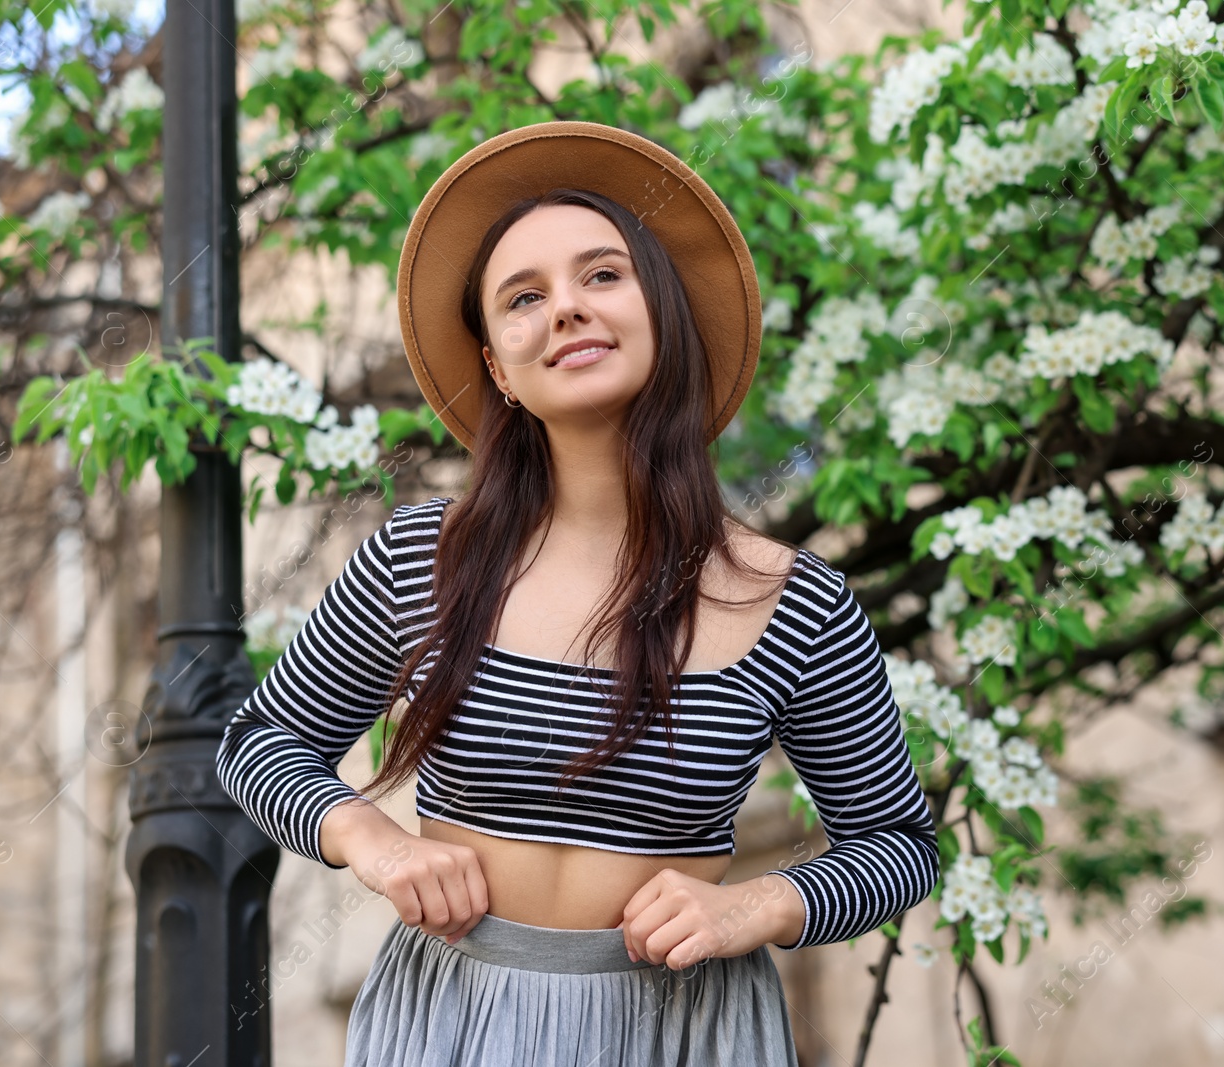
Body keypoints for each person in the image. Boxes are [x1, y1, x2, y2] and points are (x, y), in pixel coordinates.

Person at [215, 120, 940, 1066]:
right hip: (453, 1018)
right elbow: (258, 742)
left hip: (684, 1029)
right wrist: (372, 840)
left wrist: (753, 906)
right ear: (498, 370)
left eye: (603, 275)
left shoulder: (797, 602)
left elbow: (897, 844)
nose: (565, 308)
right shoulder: (421, 559)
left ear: (663, 312)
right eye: (524, 297)